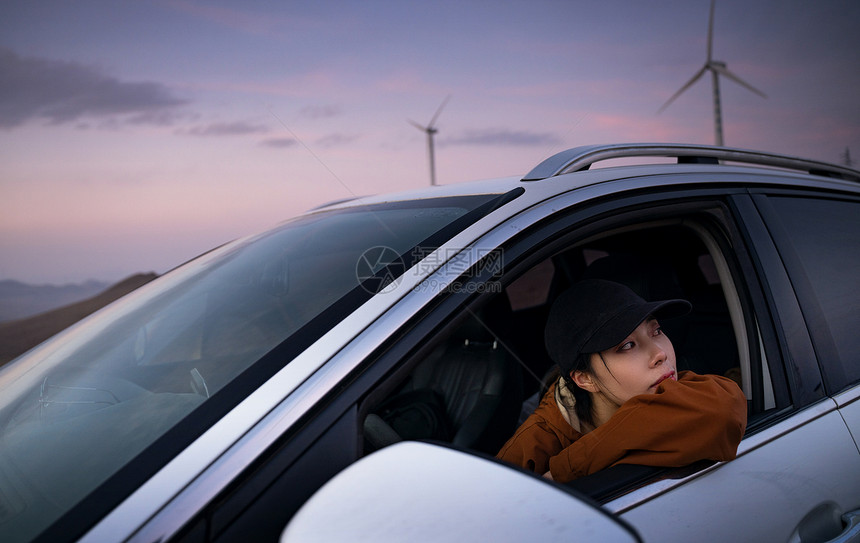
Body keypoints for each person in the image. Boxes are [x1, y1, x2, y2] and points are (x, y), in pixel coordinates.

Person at [496, 279, 747, 483]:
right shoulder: (530, 450)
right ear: (584, 379)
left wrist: (565, 469)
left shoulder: (680, 389)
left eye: (656, 331)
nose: (660, 354)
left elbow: (721, 411)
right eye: (627, 345)